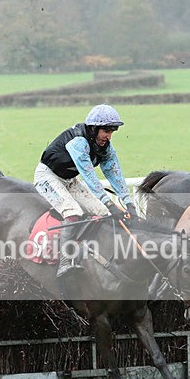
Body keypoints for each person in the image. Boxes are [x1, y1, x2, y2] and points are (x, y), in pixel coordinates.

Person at [35, 104, 138, 278]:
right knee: (73, 212)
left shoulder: (106, 147)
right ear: (93, 128)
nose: (108, 136)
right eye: (106, 131)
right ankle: (64, 261)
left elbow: (115, 174)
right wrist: (108, 201)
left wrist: (128, 203)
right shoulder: (78, 142)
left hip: (70, 180)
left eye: (112, 131)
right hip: (48, 177)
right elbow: (90, 177)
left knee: (105, 212)